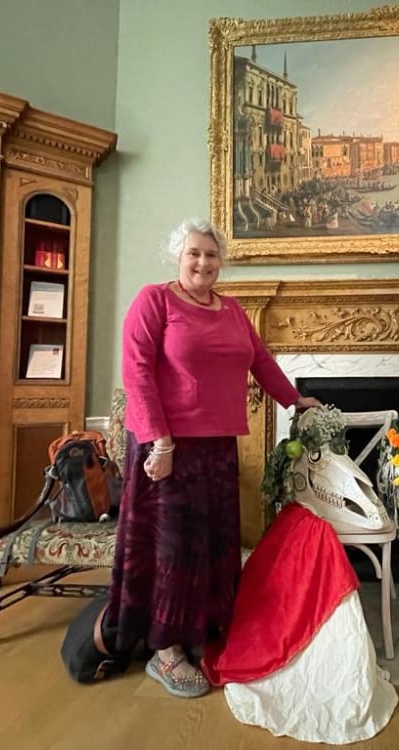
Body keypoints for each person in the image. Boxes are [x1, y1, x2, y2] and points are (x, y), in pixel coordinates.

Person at [109, 217, 321, 698]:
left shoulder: (231, 310)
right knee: (174, 550)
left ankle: (201, 629)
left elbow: (260, 359)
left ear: (221, 261)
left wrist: (294, 400)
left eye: (210, 254)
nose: (203, 262)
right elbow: (137, 373)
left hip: (218, 444)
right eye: (193, 253)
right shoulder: (154, 300)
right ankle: (164, 652)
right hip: (167, 446)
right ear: (177, 258)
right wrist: (161, 443)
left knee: (214, 544)